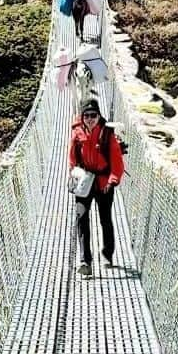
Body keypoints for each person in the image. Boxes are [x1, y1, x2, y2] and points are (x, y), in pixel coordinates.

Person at [69, 99, 125, 276]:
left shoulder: (107, 134)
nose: (90, 119)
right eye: (86, 115)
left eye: (93, 115)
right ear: (82, 116)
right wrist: (74, 173)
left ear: (99, 115)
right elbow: (72, 157)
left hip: (103, 183)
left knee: (105, 219)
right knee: (82, 217)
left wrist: (113, 180)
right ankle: (85, 261)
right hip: (85, 181)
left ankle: (107, 255)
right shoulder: (77, 133)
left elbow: (117, 160)